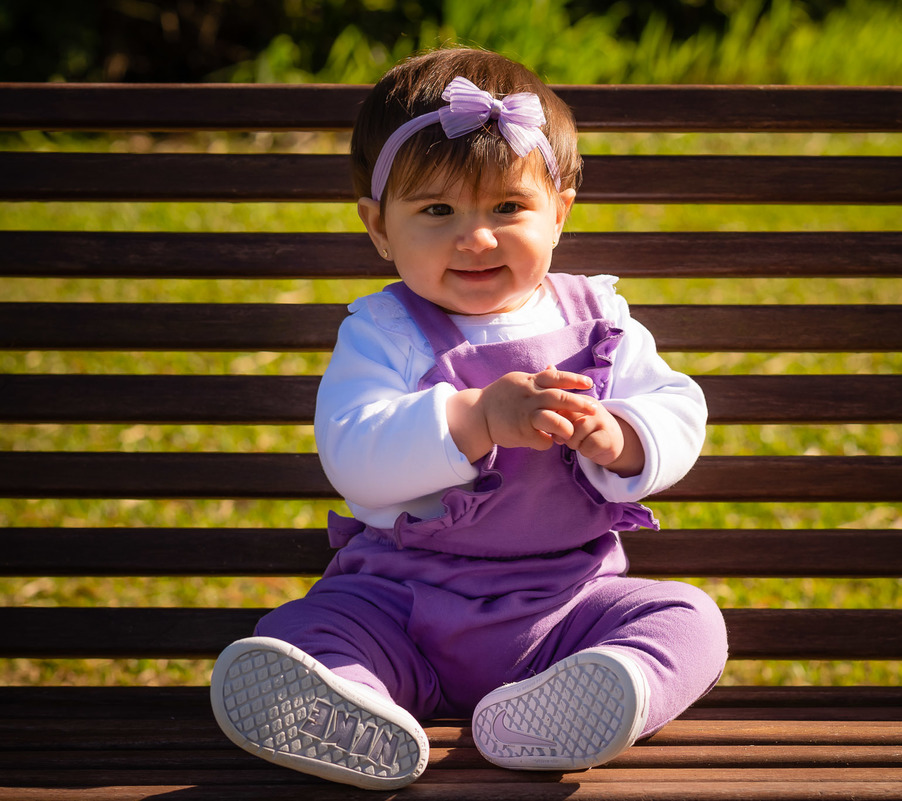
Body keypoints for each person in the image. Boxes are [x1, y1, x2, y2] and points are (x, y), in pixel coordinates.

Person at [210, 46, 728, 791]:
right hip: (402, 601)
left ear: (560, 212)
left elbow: (678, 407)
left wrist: (620, 437)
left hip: (568, 604)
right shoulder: (383, 330)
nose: (476, 237)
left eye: (508, 208)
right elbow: (353, 451)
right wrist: (476, 418)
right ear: (379, 228)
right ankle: (349, 702)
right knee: (304, 629)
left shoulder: (600, 319)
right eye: (437, 210)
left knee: (690, 617)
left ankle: (592, 692)